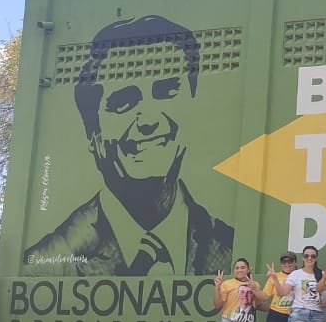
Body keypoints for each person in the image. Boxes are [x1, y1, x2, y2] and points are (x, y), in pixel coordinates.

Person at [23, 15, 232, 277]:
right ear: (92, 134)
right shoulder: (48, 265)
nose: (149, 120)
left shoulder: (228, 247)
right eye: (123, 102)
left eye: (167, 92)